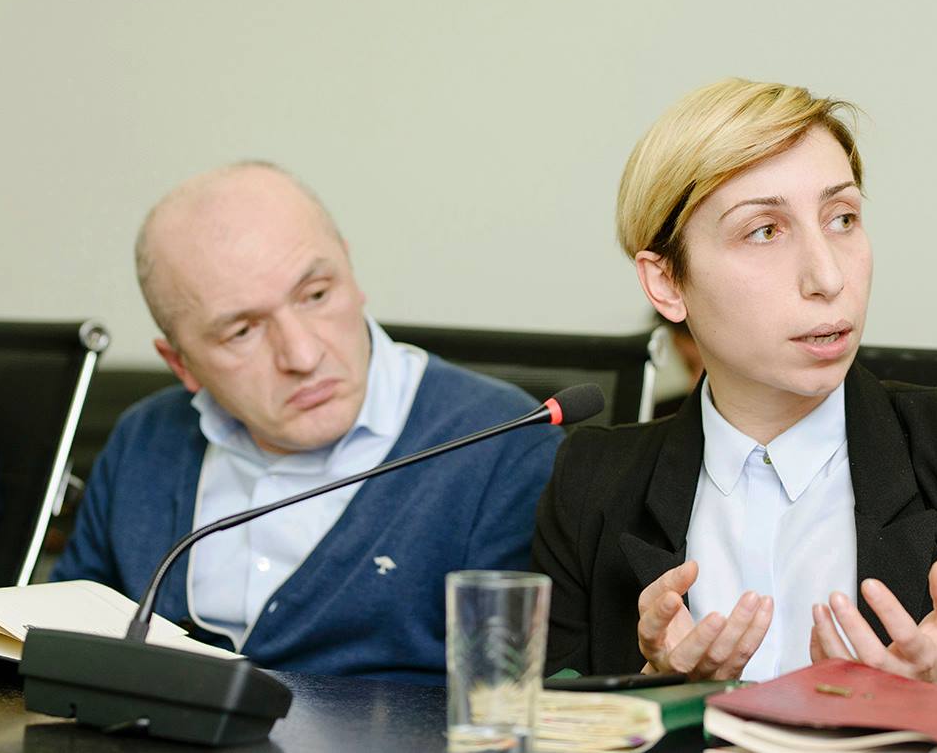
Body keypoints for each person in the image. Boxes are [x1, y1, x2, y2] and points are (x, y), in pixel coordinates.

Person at [532, 79, 937, 745]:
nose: (828, 277)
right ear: (667, 282)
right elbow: (531, 730)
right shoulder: (591, 482)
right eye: (764, 231)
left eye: (842, 219)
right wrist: (651, 696)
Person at [53, 162, 562, 684]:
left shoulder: (506, 445)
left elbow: (514, 701)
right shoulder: (142, 441)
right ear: (181, 364)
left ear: (351, 272)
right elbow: (60, 651)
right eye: (242, 331)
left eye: (316, 295)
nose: (302, 355)